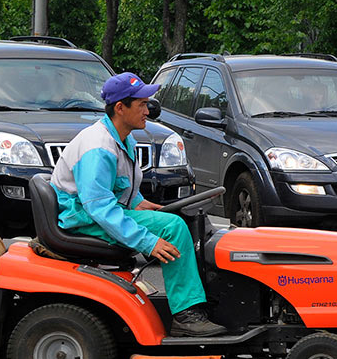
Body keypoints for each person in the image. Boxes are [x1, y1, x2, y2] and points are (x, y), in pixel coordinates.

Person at [49, 72, 227, 337]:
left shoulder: (123, 138)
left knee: (186, 219)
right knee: (174, 228)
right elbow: (99, 207)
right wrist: (149, 242)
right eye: (142, 104)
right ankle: (186, 314)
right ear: (120, 108)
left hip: (95, 211)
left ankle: (199, 300)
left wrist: (140, 203)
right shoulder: (99, 148)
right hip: (82, 219)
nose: (148, 110)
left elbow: (120, 188)